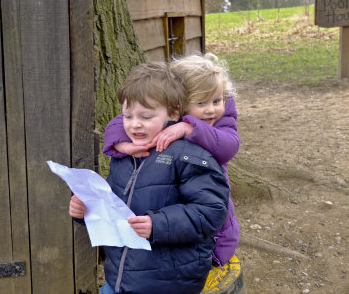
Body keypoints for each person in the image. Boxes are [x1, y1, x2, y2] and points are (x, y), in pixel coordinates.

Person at [69, 62, 230, 294]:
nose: (135, 124)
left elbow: (211, 211)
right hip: (120, 277)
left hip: (168, 282)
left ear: (174, 113)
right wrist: (87, 210)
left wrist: (158, 224)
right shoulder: (124, 154)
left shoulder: (189, 155)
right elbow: (115, 205)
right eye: (127, 115)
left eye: (146, 116)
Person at [103, 53, 240, 268]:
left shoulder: (218, 117)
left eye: (217, 100)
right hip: (168, 221)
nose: (211, 109)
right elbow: (121, 121)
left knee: (205, 220)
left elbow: (229, 145)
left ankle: (215, 251)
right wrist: (121, 144)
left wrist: (189, 127)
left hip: (214, 224)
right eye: (201, 102)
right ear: (179, 105)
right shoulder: (159, 115)